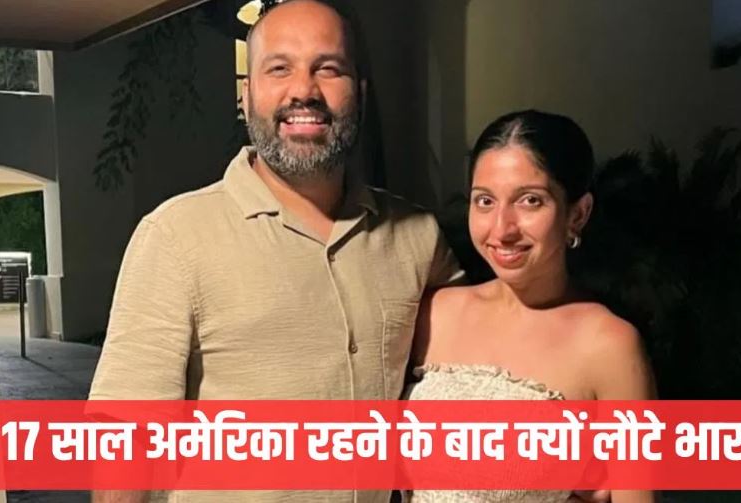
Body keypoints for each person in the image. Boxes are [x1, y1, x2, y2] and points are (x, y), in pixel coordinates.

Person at [88, 1, 462, 502]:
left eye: (328, 68)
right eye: (279, 68)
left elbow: (487, 350)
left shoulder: (418, 236)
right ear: (246, 96)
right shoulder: (175, 236)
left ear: (360, 94)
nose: (304, 90)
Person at [406, 110, 657, 503]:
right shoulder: (435, 313)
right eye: (485, 201)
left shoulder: (609, 346)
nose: (502, 228)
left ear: (578, 213)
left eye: (530, 201)